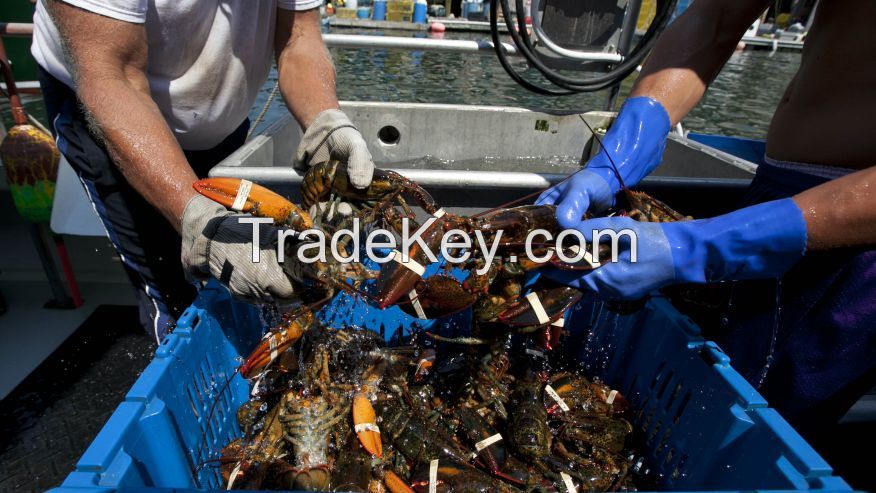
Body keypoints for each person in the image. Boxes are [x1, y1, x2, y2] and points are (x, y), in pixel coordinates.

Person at [537, 0, 876, 439]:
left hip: (855, 240)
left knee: (756, 430)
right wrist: (621, 154)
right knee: (704, 404)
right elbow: (716, 15)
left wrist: (697, 246)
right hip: (773, 193)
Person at [32, 0, 374, 342]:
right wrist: (195, 215)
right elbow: (111, 75)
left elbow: (297, 37)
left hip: (219, 117)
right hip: (113, 113)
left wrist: (325, 121)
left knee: (255, 263)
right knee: (173, 293)